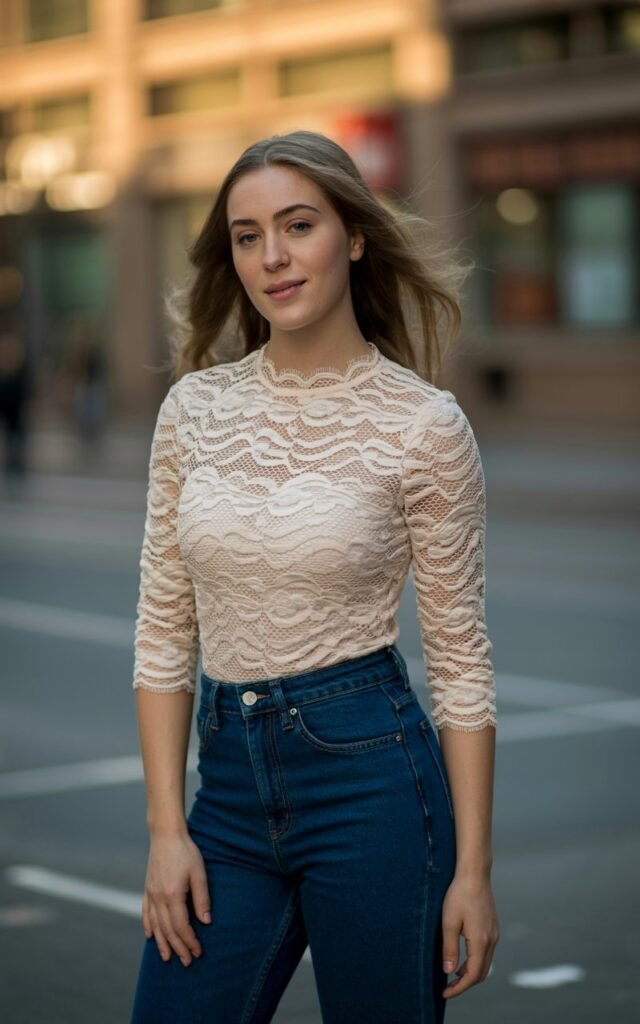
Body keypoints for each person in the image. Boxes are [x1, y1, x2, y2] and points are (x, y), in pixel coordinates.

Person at [129, 129, 499, 1024]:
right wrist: (166, 831)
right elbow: (161, 632)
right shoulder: (194, 410)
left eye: (298, 226)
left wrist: (474, 872)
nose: (273, 257)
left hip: (373, 782)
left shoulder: (424, 426)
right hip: (225, 794)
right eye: (248, 236)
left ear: (355, 235)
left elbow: (460, 661)